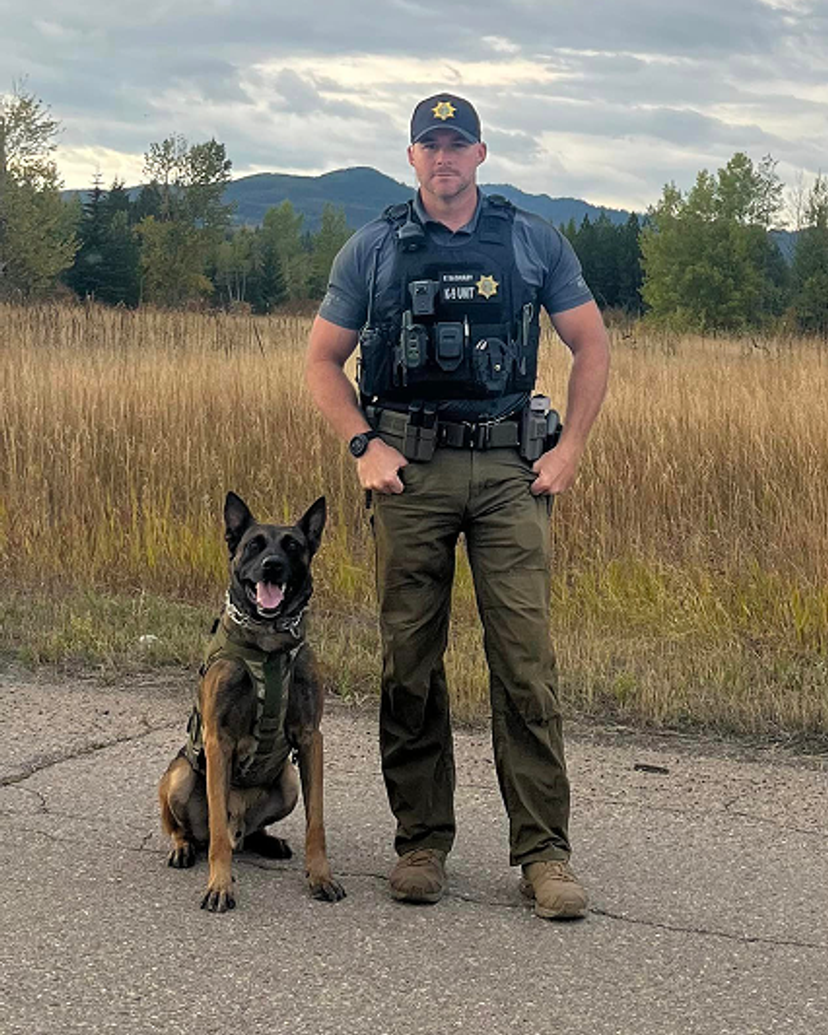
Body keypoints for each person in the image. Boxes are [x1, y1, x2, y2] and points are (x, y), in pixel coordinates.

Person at [305, 93, 609, 920]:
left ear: (480, 155)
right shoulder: (371, 249)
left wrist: (570, 445)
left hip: (513, 470)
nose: (444, 158)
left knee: (524, 663)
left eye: (458, 144)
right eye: (429, 145)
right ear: (411, 158)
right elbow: (323, 361)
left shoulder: (530, 238)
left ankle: (544, 852)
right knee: (410, 659)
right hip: (413, 475)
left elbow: (591, 341)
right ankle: (420, 843)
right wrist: (365, 446)